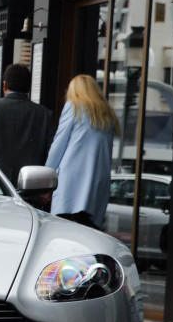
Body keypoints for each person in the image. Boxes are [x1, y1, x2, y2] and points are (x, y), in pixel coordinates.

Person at [44, 74, 120, 229]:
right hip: (97, 184)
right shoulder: (108, 115)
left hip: (71, 184)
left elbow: (59, 145)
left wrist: (45, 178)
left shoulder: (74, 107)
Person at [0, 63, 57, 186]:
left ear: (4, 85)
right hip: (31, 189)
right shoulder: (44, 115)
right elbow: (51, 154)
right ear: (29, 88)